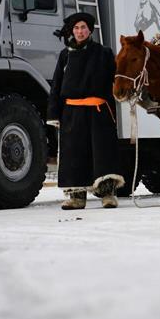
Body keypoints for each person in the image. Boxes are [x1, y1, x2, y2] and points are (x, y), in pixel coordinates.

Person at [47, 12, 124, 209]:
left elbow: (116, 80)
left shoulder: (104, 53)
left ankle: (108, 195)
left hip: (98, 111)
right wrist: (54, 114)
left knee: (102, 154)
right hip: (72, 113)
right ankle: (77, 197)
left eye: (83, 27)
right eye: (76, 28)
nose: (80, 31)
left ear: (90, 30)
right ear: (72, 31)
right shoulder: (65, 55)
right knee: (74, 155)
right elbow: (56, 85)